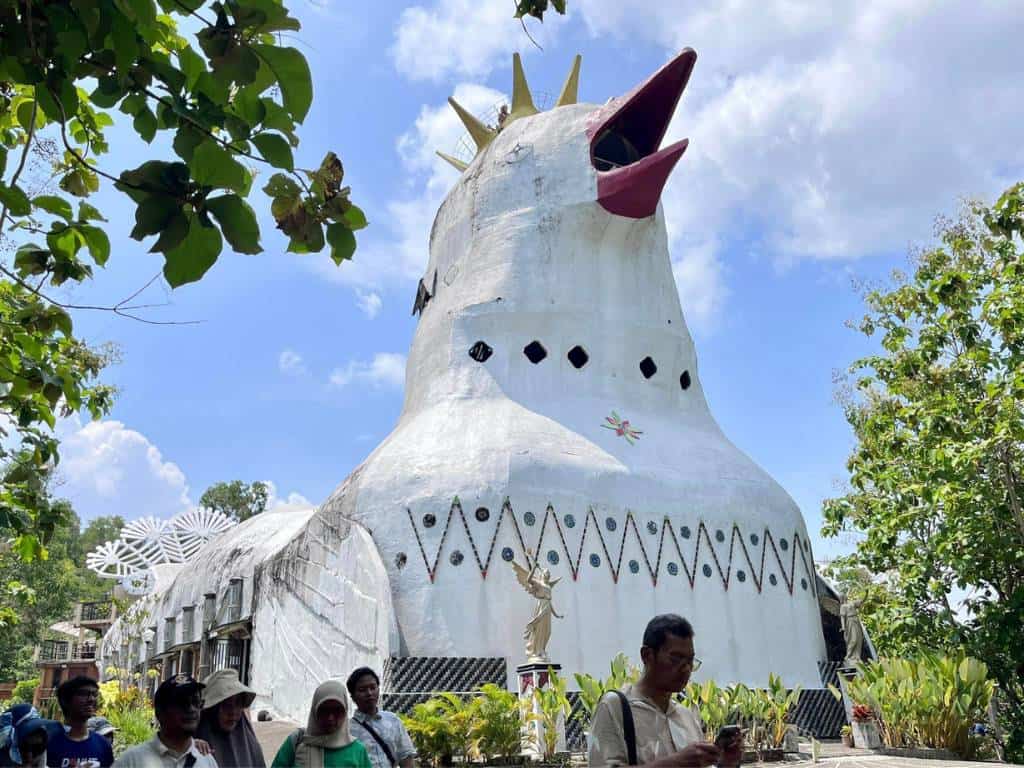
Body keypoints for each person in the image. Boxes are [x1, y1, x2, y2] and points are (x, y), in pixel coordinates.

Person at [588, 614, 743, 768]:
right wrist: (675, 763)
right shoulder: (615, 707)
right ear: (647, 656)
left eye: (690, 660)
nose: (686, 668)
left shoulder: (686, 716)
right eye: (675, 658)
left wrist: (725, 763)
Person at [113, 675, 217, 768]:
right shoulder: (131, 761)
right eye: (182, 703)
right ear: (160, 712)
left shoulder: (206, 761)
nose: (191, 709)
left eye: (196, 702)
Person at [271, 681, 372, 768]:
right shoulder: (298, 741)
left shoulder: (357, 751)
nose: (330, 718)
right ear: (315, 711)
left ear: (345, 712)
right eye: (324, 710)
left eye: (337, 710)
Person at [346, 669, 416, 768]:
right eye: (362, 690)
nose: (369, 693)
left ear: (378, 689)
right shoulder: (346, 729)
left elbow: (406, 756)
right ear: (352, 696)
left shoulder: (393, 720)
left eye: (373, 687)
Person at [195, 670, 265, 768]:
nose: (233, 712)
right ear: (212, 709)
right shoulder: (192, 748)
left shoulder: (251, 746)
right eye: (226, 704)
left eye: (238, 703)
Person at [47, 676, 114, 768]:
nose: (91, 699)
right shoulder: (50, 745)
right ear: (65, 700)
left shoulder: (103, 744)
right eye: (83, 694)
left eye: (94, 694)